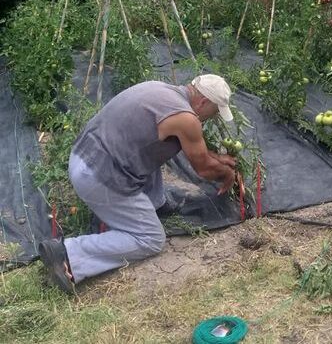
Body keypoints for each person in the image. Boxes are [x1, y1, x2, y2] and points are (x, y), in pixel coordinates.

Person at [38, 74, 238, 293]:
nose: (214, 118)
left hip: (82, 157)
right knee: (151, 239)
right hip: (99, 177)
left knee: (152, 147)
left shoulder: (159, 89)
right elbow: (204, 168)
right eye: (215, 112)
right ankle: (67, 253)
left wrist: (217, 159)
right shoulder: (185, 119)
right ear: (203, 102)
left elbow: (197, 153)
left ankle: (155, 204)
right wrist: (227, 173)